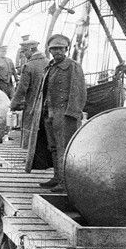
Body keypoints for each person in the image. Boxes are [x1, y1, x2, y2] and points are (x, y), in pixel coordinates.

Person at [31, 33, 86, 193]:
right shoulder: (50, 67)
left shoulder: (73, 66)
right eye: (54, 49)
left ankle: (65, 181)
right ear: (49, 50)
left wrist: (73, 113)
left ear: (66, 49)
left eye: (60, 49)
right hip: (50, 113)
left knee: (64, 148)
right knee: (53, 147)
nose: (57, 52)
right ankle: (57, 176)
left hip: (65, 115)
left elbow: (79, 92)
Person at [10, 39, 49, 149]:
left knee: (29, 129)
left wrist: (13, 105)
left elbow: (22, 89)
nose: (24, 54)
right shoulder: (48, 63)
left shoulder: (28, 66)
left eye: (24, 52)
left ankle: (27, 153)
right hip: (47, 106)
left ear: (31, 50)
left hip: (32, 105)